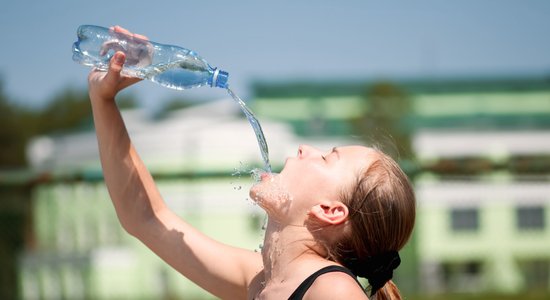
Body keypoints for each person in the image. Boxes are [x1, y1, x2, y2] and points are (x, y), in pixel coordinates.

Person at [87, 26, 416, 300]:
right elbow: (146, 218)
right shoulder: (262, 281)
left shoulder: (333, 291)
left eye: (328, 158)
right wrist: (103, 100)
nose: (305, 149)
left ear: (330, 211)